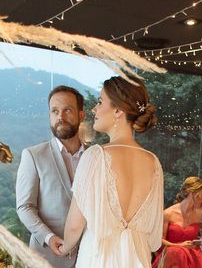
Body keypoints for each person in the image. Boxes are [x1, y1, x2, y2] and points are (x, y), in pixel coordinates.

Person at [58, 76, 163, 268]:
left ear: (118, 111)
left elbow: (75, 225)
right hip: (138, 260)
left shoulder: (96, 156)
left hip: (100, 259)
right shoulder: (153, 162)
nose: (94, 109)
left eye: (99, 102)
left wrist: (64, 248)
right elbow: (154, 236)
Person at [15, 86, 86, 268]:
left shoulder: (95, 157)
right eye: (54, 111)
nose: (60, 117)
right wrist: (48, 237)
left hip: (89, 256)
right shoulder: (33, 155)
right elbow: (24, 207)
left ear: (81, 115)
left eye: (67, 110)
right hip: (46, 259)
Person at [152, 177, 202, 268]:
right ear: (192, 193)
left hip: (192, 257)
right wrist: (179, 245)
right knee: (175, 252)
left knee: (178, 254)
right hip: (170, 255)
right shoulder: (168, 214)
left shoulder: (201, 212)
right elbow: (160, 241)